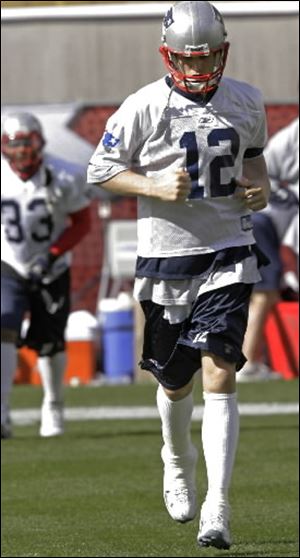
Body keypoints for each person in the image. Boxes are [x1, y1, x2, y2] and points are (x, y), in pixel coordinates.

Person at [87, 1, 270, 550]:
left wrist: (257, 188)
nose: (197, 69)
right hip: (166, 256)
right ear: (169, 56)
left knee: (220, 369)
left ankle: (218, 505)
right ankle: (176, 457)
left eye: (208, 56)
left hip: (228, 248)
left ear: (224, 50)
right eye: (188, 59)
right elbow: (102, 168)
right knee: (174, 381)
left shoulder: (246, 100)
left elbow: (255, 158)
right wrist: (153, 186)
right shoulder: (144, 105)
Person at [1, 112, 91, 439]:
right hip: (8, 261)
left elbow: (83, 222)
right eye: (16, 146)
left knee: (50, 342)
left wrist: (53, 254)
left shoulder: (63, 174)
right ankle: (2, 411)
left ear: (40, 143)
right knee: (4, 324)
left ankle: (53, 403)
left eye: (28, 145)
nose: (23, 153)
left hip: (53, 265)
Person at [238, 117, 299, 382]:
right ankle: (248, 362)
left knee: (262, 292)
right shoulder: (291, 137)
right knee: (264, 292)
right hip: (264, 220)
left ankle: (249, 360)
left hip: (271, 222)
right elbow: (259, 169)